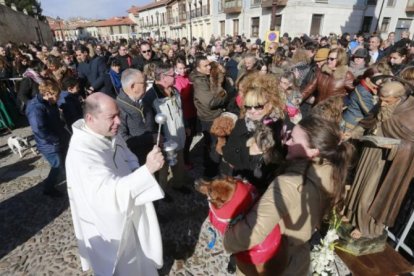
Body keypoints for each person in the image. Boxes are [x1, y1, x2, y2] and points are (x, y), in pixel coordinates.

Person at [223, 115, 354, 275]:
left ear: (314, 151)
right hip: (298, 259)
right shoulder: (332, 173)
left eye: (293, 139)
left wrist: (228, 239)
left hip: (271, 263)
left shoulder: (288, 184)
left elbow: (251, 232)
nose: (287, 142)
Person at [66, 92, 165, 276]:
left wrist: (137, 168)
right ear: (90, 118)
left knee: (141, 255)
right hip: (111, 225)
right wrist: (147, 170)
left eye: (118, 114)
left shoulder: (108, 131)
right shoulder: (82, 153)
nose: (119, 121)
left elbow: (126, 154)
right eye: (112, 117)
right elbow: (107, 195)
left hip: (131, 204)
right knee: (125, 266)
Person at [344, 81, 414, 239]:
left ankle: (366, 226)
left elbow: (411, 144)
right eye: (380, 99)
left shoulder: (410, 114)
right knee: (358, 187)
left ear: (399, 98)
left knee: (370, 194)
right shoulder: (381, 106)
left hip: (386, 161)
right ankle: (353, 216)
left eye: (387, 101)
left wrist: (395, 147)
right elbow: (368, 121)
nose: (382, 104)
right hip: (369, 151)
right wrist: (353, 133)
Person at [143, 63, 191, 193]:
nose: (176, 76)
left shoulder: (174, 91)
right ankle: (161, 193)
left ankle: (178, 185)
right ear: (163, 77)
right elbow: (149, 123)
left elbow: (181, 110)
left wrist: (185, 125)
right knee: (162, 171)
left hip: (179, 137)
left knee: (179, 165)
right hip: (163, 142)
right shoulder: (151, 97)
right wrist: (156, 139)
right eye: (173, 74)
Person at [26, 79, 70, 197]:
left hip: (59, 139)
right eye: (56, 95)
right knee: (57, 166)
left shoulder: (49, 103)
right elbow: (39, 129)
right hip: (50, 145)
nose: (58, 98)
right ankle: (49, 188)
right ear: (47, 93)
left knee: (64, 164)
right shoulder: (35, 107)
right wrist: (55, 139)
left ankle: (70, 183)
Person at [117, 69, 155, 165]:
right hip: (137, 160)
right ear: (132, 86)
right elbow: (123, 138)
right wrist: (150, 138)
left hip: (151, 152)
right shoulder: (119, 108)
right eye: (144, 83)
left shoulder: (142, 98)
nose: (147, 85)